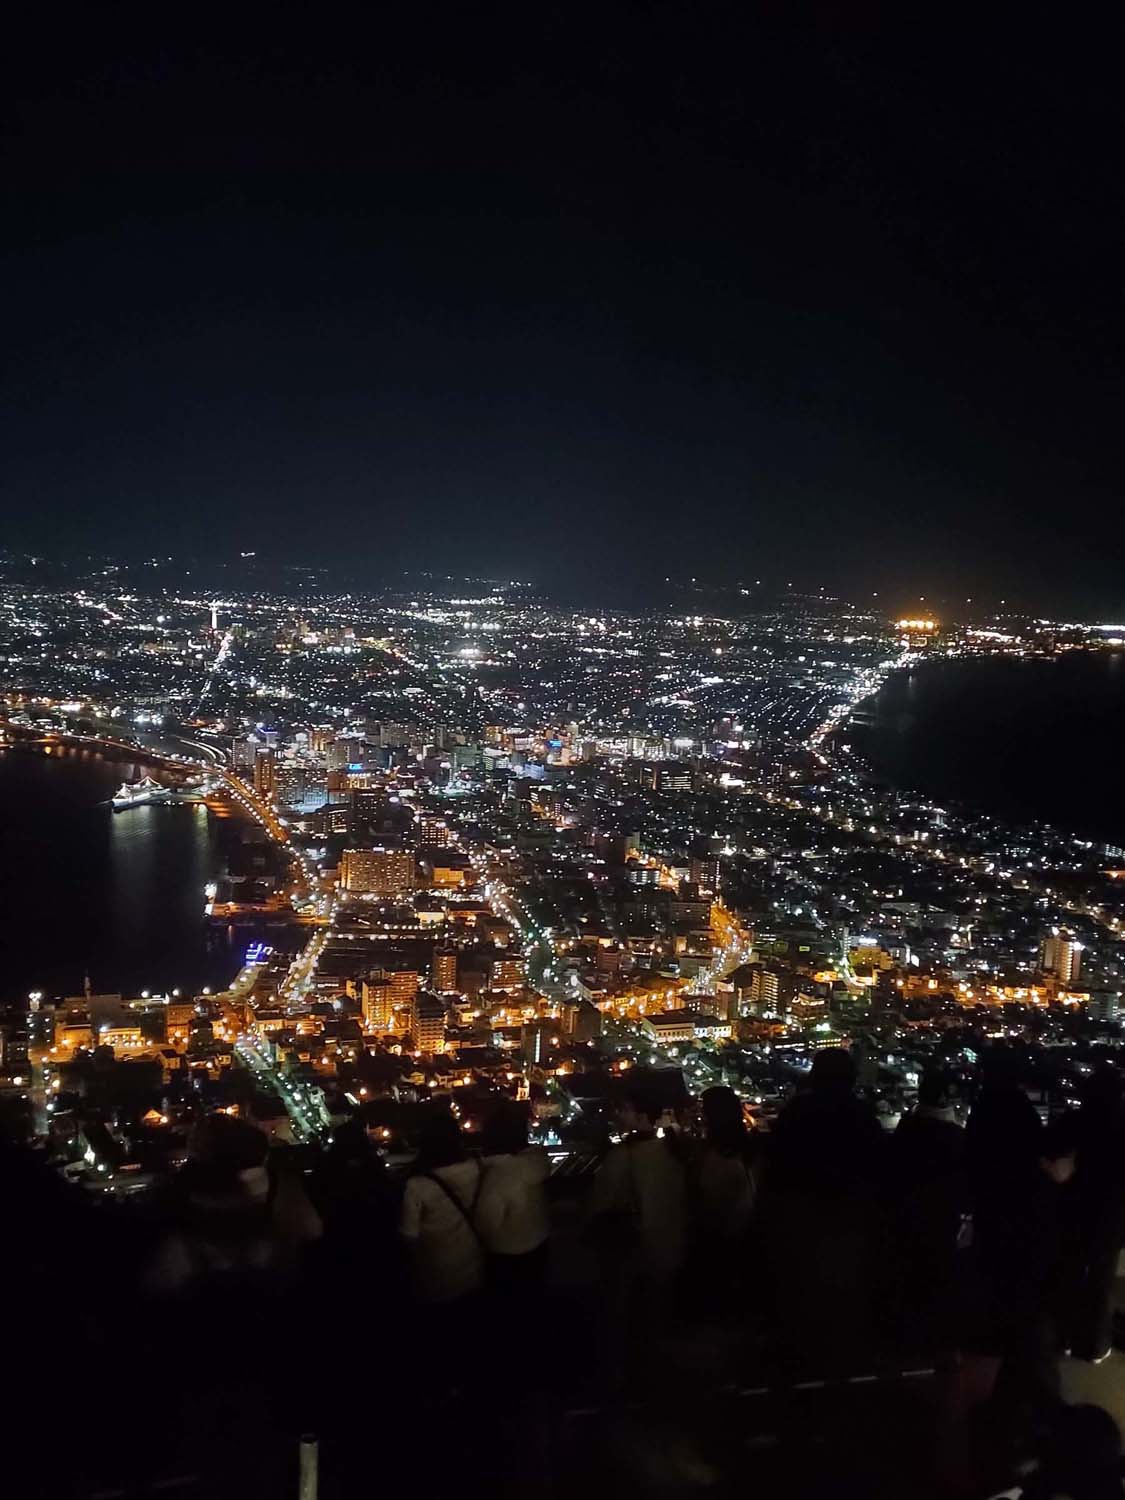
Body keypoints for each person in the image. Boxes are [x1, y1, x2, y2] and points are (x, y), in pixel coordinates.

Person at [887, 1066, 967, 1349]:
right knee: (936, 1273)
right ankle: (931, 1335)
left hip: (905, 1211)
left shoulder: (907, 1127)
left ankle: (902, 1332)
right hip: (941, 1215)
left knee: (906, 1271)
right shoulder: (955, 1136)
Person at [1061, 1065, 1125, 1363]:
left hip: (1072, 1210)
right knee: (1100, 1280)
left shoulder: (1074, 1123)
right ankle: (1095, 1345)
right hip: (1111, 1216)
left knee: (1069, 1274)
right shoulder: (1120, 1126)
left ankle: (1065, 1337)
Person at [400, 1107, 486, 1305]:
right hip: (475, 1264)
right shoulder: (476, 1168)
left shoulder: (417, 1185)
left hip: (437, 1273)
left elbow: (409, 1236)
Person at [477, 1098, 550, 1293]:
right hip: (539, 1241)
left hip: (509, 1255)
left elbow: (485, 1225)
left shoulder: (499, 1176)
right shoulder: (535, 1162)